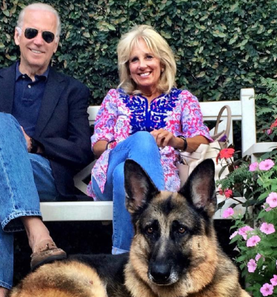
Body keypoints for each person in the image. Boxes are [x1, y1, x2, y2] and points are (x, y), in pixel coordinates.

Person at [0, 3, 92, 296]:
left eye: (47, 36)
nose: (38, 40)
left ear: (56, 45)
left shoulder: (72, 90)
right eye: (31, 32)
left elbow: (81, 151)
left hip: (42, 174)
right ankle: (37, 232)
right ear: (17, 36)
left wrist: (33, 145)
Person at [88, 25, 213, 255]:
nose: (142, 65)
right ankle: (156, 245)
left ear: (162, 61)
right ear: (128, 67)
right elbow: (97, 146)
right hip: (108, 171)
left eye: (148, 57)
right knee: (139, 145)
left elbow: (202, 139)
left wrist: (176, 141)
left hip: (158, 180)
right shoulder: (115, 98)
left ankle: (123, 259)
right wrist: (131, 144)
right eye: (134, 60)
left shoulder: (183, 99)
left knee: (121, 177)